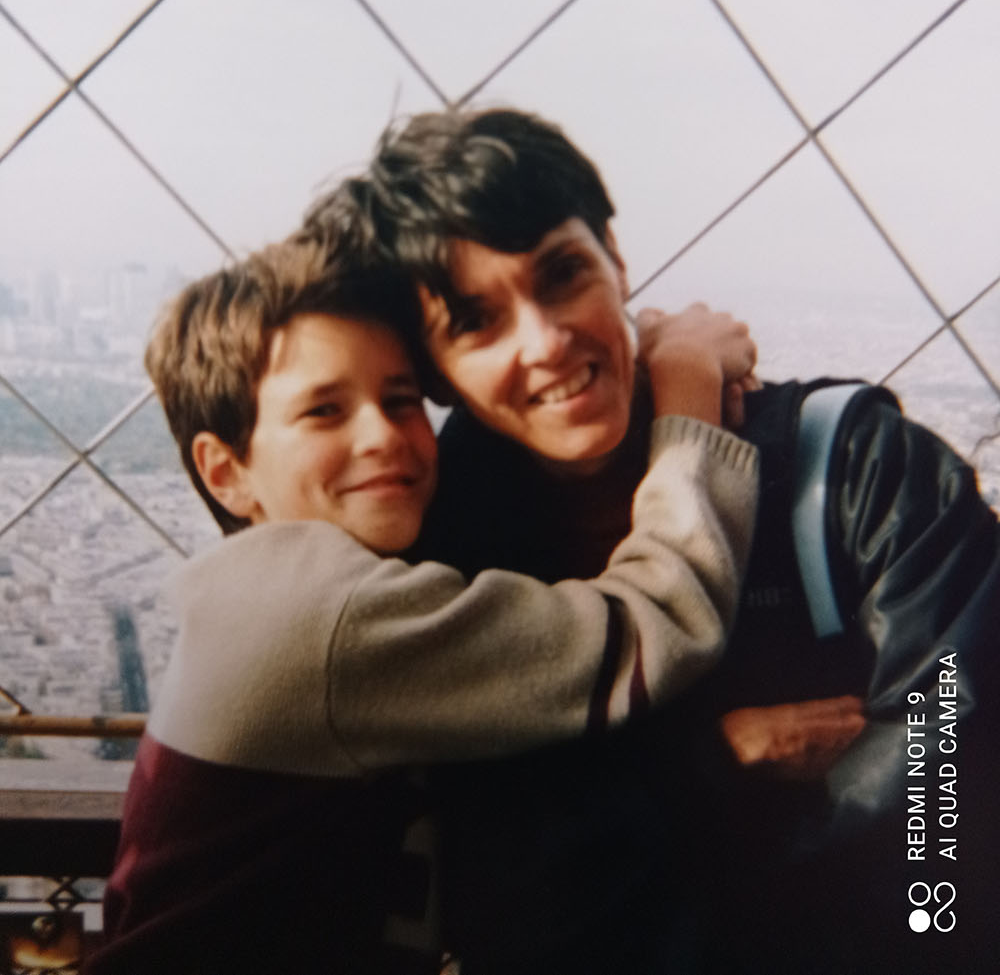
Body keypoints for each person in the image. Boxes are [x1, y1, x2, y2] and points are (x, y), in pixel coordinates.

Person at [301, 106, 1000, 975]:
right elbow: (499, 885)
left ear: (616, 260)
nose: (546, 342)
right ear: (435, 371)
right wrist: (711, 762)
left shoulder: (859, 473)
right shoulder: (435, 561)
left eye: (563, 275)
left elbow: (946, 813)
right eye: (476, 321)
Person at [87, 236, 759, 974]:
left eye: (401, 400)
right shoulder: (323, 616)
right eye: (324, 411)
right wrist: (688, 391)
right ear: (226, 472)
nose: (383, 436)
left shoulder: (259, 589)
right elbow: (657, 625)